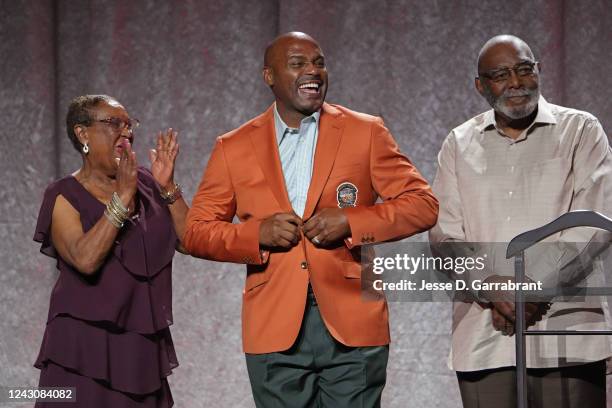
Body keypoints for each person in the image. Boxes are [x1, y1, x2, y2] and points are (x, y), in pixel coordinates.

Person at [184, 32, 438, 407]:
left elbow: (423, 204)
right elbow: (196, 233)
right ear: (268, 76)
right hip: (273, 326)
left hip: (353, 321)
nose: (313, 71)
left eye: (318, 62)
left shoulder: (365, 131)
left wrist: (351, 222)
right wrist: (256, 234)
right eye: (298, 63)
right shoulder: (233, 146)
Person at [430, 35, 612, 407]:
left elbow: (595, 222)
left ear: (538, 71)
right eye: (500, 74)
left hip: (568, 330)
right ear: (481, 86)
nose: (515, 82)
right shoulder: (458, 143)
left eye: (524, 69)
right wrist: (489, 285)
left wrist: (534, 286)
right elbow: (445, 234)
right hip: (485, 334)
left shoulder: (580, 129)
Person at [33, 95, 188, 407]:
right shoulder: (63, 194)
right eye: (114, 123)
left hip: (140, 346)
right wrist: (122, 199)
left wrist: (168, 187)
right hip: (82, 352)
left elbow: (190, 240)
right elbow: (86, 259)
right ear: (83, 134)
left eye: (129, 125)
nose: (127, 132)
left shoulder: (146, 182)